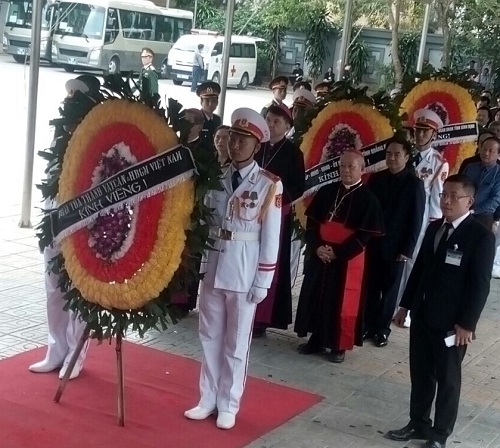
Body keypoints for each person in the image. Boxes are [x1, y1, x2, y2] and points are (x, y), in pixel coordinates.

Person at [184, 108, 283, 430]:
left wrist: (263, 281)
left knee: (236, 342)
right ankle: (207, 398)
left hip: (243, 271)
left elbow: (271, 237)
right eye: (234, 138)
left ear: (257, 145)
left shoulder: (269, 184)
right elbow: (206, 224)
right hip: (214, 267)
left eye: (245, 140)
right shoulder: (217, 176)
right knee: (209, 335)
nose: (237, 145)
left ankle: (229, 403)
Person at [387, 174, 495, 448]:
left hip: (452, 323)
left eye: (453, 196)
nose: (446, 200)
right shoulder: (436, 228)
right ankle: (418, 423)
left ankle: (440, 434)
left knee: (447, 380)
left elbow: (479, 285)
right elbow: (420, 271)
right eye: (443, 195)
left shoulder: (479, 236)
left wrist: (467, 324)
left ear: (469, 201)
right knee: (421, 374)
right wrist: (405, 305)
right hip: (424, 315)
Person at [294, 150, 384, 363]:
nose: (345, 170)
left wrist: (338, 253)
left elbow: (365, 235)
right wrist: (316, 247)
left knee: (339, 302)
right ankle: (316, 339)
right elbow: (313, 224)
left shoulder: (368, 199)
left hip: (346, 259)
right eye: (342, 166)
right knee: (317, 297)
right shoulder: (327, 191)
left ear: (362, 170)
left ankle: (338, 346)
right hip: (321, 255)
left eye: (350, 167)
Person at [364, 135, 425, 347]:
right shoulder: (376, 179)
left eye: (397, 154)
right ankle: (367, 325)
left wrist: (407, 248)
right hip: (374, 243)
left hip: (397, 246)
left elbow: (416, 220)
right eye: (389, 154)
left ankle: (382, 329)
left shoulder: (414, 184)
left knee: (390, 290)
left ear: (407, 157)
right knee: (371, 287)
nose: (392, 158)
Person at [252, 104, 305, 337]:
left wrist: (273, 202)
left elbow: (298, 187)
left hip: (276, 216)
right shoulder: (256, 146)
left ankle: (263, 318)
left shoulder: (294, 153)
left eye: (277, 122)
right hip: (249, 213)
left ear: (287, 126)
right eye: (269, 120)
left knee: (269, 261)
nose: (271, 125)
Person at [397, 109, 448, 323]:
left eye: (425, 131)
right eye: (417, 130)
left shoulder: (438, 163)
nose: (419, 135)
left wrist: (431, 226)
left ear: (434, 135)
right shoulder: (404, 155)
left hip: (421, 218)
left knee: (411, 263)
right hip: (399, 215)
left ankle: (404, 308)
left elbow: (436, 199)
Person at [463, 136, 500, 229]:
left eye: (491, 151)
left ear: (498, 154)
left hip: (483, 217)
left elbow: (495, 200)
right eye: (484, 149)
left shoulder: (498, 173)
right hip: (462, 213)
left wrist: (473, 211)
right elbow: (460, 186)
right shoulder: (470, 167)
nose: (486, 153)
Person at [196, 81, 222, 152]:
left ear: (217, 103)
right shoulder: (196, 119)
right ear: (201, 102)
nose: (210, 104)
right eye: (207, 101)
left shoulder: (217, 120)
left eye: (213, 101)